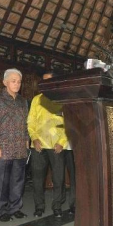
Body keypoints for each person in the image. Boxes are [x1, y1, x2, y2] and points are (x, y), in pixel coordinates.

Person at [0, 68, 29, 222]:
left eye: (18, 81)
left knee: (18, 180)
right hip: (3, 148)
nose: (17, 84)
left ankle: (15, 207)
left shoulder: (23, 102)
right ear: (5, 82)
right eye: (13, 81)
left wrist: (26, 139)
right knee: (1, 182)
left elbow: (26, 124)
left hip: (19, 148)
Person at [27, 72, 69, 218]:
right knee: (38, 179)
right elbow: (31, 121)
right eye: (44, 82)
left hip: (57, 146)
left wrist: (62, 142)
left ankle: (57, 206)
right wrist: (34, 138)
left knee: (58, 178)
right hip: (38, 145)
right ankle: (39, 207)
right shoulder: (36, 100)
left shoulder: (62, 100)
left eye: (50, 81)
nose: (47, 84)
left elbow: (68, 123)